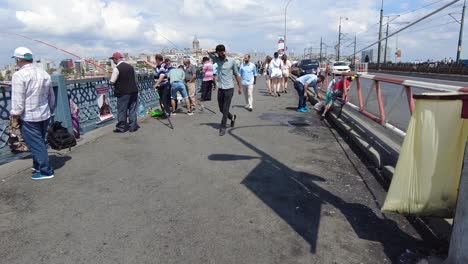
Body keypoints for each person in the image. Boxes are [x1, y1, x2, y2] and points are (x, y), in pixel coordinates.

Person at [10, 47, 55, 180]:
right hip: (44, 114)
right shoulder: (44, 73)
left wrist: (14, 116)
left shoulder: (18, 75)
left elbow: (18, 101)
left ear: (18, 59)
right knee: (39, 141)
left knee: (36, 144)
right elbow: (51, 97)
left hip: (29, 116)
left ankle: (46, 171)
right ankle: (37, 165)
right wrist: (50, 110)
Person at [208, 44, 243, 136]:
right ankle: (232, 117)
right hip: (220, 88)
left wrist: (240, 87)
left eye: (221, 51)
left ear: (224, 51)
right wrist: (216, 51)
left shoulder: (232, 61)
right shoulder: (217, 59)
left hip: (229, 88)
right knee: (221, 109)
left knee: (226, 108)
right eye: (218, 52)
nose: (220, 54)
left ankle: (223, 127)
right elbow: (208, 52)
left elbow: (236, 74)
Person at [109, 52, 140, 133]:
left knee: (122, 110)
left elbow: (112, 81)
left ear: (116, 59)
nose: (113, 61)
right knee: (132, 109)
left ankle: (121, 128)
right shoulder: (130, 67)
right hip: (134, 91)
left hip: (123, 92)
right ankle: (133, 127)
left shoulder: (117, 68)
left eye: (113, 59)